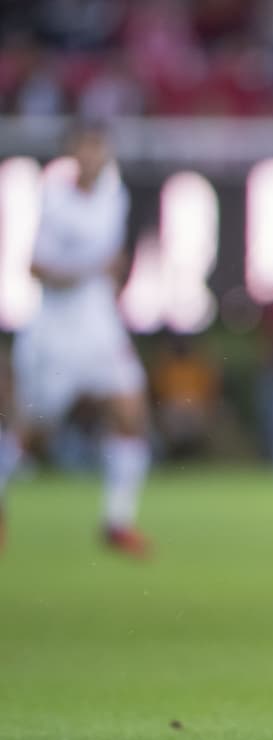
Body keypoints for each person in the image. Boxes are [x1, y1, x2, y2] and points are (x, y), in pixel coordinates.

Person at [0, 122, 151, 557]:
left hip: (98, 324)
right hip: (55, 332)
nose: (91, 156)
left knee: (130, 413)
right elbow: (36, 267)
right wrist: (92, 270)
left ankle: (117, 522)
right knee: (33, 436)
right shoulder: (54, 196)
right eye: (83, 147)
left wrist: (110, 277)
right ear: (70, 153)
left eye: (97, 146)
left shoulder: (113, 193)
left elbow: (112, 263)